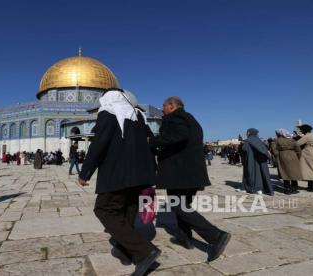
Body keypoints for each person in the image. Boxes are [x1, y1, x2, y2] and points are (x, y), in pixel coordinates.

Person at [79, 89, 160, 275]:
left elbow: (99, 143)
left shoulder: (109, 113)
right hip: (139, 175)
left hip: (117, 175)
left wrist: (85, 172)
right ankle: (126, 252)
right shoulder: (139, 116)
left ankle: (145, 251)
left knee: (104, 209)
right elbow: (149, 144)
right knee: (127, 210)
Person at [148, 96, 230, 263]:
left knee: (177, 206)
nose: (162, 109)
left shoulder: (176, 118)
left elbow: (177, 136)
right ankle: (184, 237)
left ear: (171, 106)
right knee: (182, 205)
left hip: (180, 173)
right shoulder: (190, 118)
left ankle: (216, 236)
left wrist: (152, 141)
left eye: (164, 106)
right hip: (189, 173)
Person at [240, 128, 274, 195]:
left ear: (250, 133)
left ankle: (251, 188)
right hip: (260, 161)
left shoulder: (247, 141)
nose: (246, 134)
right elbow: (264, 151)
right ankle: (261, 188)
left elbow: (244, 150)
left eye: (247, 132)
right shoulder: (259, 141)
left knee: (250, 174)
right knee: (260, 174)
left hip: (250, 161)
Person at [271, 129, 301, 194]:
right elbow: (298, 149)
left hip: (282, 156)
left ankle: (287, 189)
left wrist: (278, 156)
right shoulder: (292, 140)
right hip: (293, 156)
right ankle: (294, 188)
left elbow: (274, 150)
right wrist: (297, 157)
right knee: (294, 172)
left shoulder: (276, 140)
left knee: (285, 172)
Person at [296, 124, 313, 192]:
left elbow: (297, 144)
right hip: (312, 153)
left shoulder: (307, 136)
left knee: (312, 170)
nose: (301, 131)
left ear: (304, 130)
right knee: (310, 170)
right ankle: (311, 186)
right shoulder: (311, 135)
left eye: (301, 130)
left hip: (308, 154)